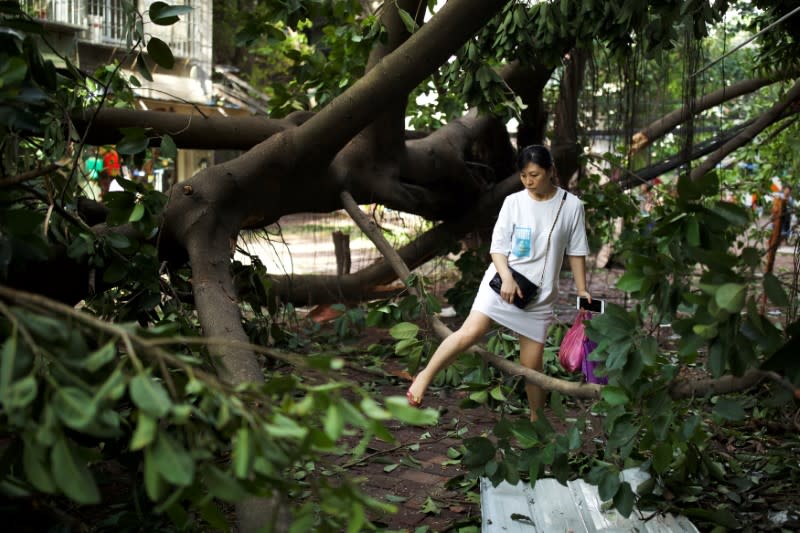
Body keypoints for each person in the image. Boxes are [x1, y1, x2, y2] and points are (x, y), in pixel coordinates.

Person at [406, 145, 591, 421]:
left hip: (538, 297)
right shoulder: (514, 202)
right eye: (524, 176)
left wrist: (582, 289)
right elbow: (498, 248)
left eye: (535, 175)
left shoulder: (571, 207)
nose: (529, 181)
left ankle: (536, 419)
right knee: (469, 332)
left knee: (532, 367)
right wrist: (505, 277)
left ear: (551, 171)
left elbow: (576, 251)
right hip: (502, 283)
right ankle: (424, 377)